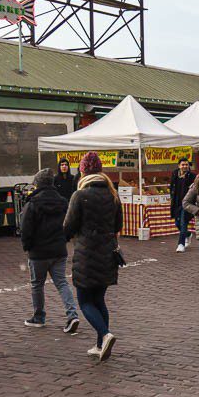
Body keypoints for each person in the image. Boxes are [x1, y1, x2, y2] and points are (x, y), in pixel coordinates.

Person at [63, 152, 123, 362]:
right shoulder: (112, 194)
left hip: (86, 253)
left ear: (83, 172)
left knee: (85, 301)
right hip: (107, 252)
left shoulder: (79, 195)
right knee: (99, 299)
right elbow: (118, 225)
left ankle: (105, 335)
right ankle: (100, 344)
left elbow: (68, 226)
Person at [20, 168, 80, 333]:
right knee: (61, 282)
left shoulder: (32, 203)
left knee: (37, 285)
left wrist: (27, 246)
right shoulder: (62, 201)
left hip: (38, 252)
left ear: (37, 183)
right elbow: (69, 224)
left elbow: (25, 228)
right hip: (58, 249)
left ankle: (39, 317)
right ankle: (72, 314)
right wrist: (64, 239)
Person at [169, 157, 195, 252]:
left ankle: (181, 244)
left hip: (187, 203)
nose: (185, 166)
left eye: (186, 164)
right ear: (179, 166)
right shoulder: (175, 174)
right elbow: (172, 186)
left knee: (183, 222)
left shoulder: (192, 176)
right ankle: (188, 234)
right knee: (177, 223)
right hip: (176, 202)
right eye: (183, 164)